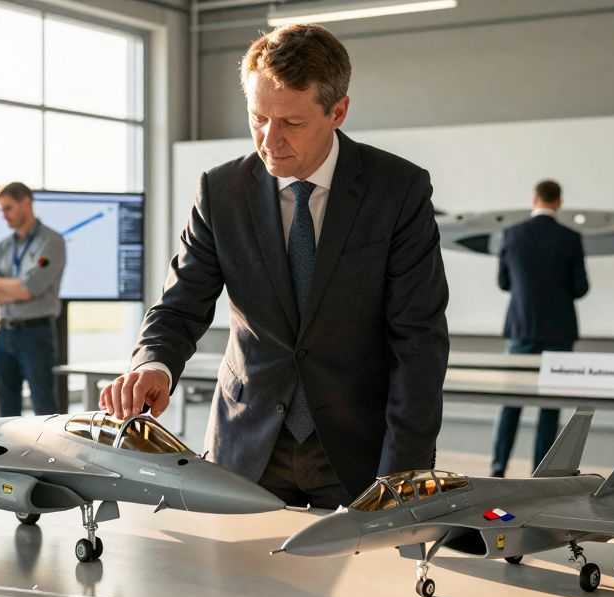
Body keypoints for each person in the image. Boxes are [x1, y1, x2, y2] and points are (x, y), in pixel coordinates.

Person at [100, 24, 450, 509]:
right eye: (258, 118)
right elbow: (179, 307)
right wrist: (153, 364)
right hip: (246, 445)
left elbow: (419, 341)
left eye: (292, 123)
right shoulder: (220, 193)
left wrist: (403, 475)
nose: (270, 139)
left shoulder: (398, 192)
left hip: (357, 451)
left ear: (338, 112)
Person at [490, 179, 590, 477]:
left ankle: (497, 468)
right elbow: (581, 288)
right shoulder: (571, 237)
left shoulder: (511, 234)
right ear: (559, 202)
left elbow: (504, 283)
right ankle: (541, 472)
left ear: (534, 199)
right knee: (550, 405)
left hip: (521, 327)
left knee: (511, 403)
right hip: (559, 331)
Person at [0, 182, 66, 417]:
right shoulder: (3, 246)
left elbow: (30, 288)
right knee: (6, 414)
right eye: (0, 210)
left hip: (36, 335)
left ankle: (48, 455)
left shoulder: (51, 242)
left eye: (8, 208)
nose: (4, 215)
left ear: (26, 203)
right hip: (4, 334)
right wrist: (14, 286)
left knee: (44, 409)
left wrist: (0, 281)